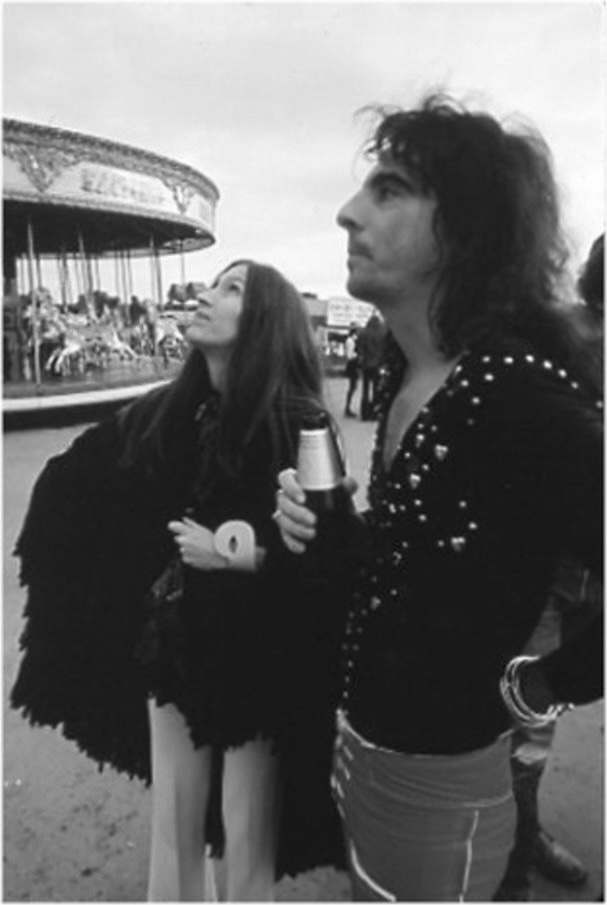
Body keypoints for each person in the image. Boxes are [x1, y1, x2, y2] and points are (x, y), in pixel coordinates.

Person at [275, 92, 603, 901]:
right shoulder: (413, 376)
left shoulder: (519, 397)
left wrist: (551, 680)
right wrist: (330, 531)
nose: (348, 213)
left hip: (445, 787)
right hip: (363, 758)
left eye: (388, 190)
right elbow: (404, 575)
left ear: (463, 227)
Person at [10, 260, 345, 902]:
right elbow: (87, 474)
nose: (204, 296)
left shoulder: (300, 418)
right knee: (175, 819)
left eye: (231, 289)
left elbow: (325, 548)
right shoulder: (173, 408)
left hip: (257, 661)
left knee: (248, 825)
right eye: (210, 284)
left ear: (265, 320)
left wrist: (231, 551)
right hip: (175, 648)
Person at [494, 233, 605, 901]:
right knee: (525, 713)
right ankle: (509, 849)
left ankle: (515, 832)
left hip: (596, 571)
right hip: (542, 562)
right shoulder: (560, 332)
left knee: (551, 700)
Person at [356, 311, 386, 419]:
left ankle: (364, 413)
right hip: (378, 365)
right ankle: (373, 413)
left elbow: (359, 350)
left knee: (365, 390)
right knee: (376, 389)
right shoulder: (382, 334)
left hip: (366, 365)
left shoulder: (363, 334)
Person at [343, 324, 360, 416]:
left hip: (352, 365)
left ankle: (348, 407)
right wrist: (357, 355)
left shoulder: (351, 340)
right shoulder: (350, 341)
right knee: (352, 386)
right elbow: (349, 356)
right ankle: (347, 408)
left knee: (353, 386)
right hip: (352, 365)